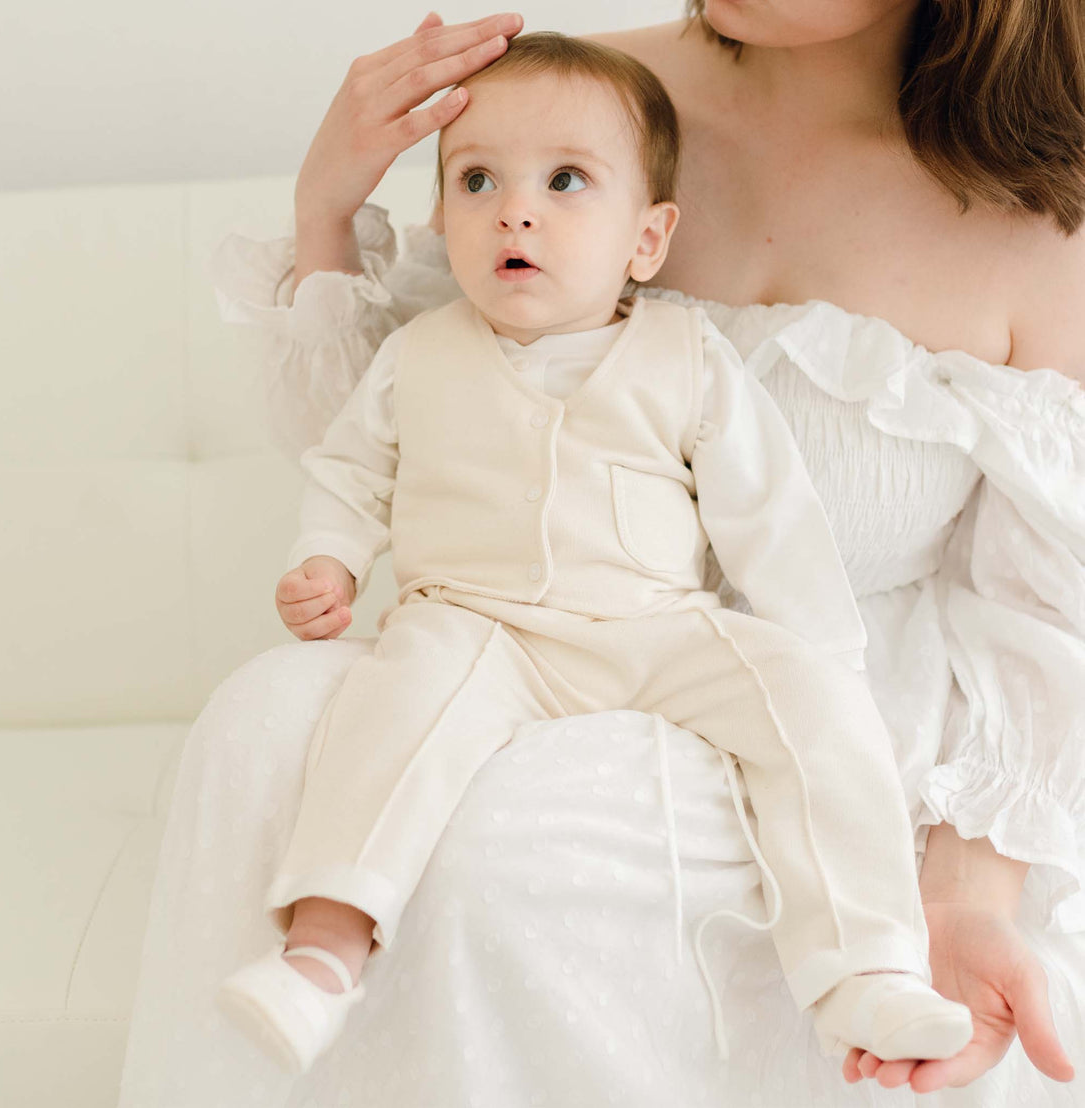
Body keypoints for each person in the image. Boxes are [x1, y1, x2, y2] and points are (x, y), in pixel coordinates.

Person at [118, 4, 1085, 1106]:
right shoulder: (579, 107)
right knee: (263, 721)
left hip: (836, 699)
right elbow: (416, 423)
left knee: (505, 856)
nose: (517, 203)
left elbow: (1036, 607)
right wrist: (326, 211)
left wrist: (967, 900)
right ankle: (310, 969)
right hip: (514, 624)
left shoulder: (1044, 210)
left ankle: (854, 970)